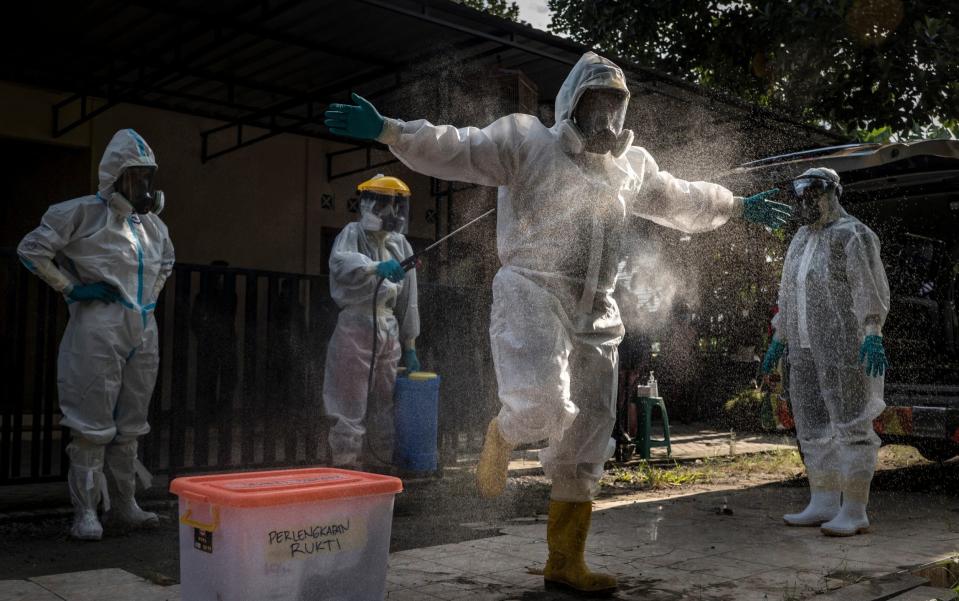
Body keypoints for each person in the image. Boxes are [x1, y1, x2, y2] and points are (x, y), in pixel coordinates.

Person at [325, 52, 789, 594]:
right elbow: (458, 145)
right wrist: (388, 129)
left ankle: (565, 562)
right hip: (531, 289)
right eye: (597, 104)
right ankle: (503, 431)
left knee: (589, 434)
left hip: (598, 310)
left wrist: (734, 205)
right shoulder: (527, 142)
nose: (608, 120)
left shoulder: (629, 167)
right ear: (572, 102)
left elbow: (679, 197)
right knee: (544, 403)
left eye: (617, 106)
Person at [17, 129, 174, 541]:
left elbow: (166, 263)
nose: (145, 186)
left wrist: (149, 303)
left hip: (143, 328)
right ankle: (86, 512)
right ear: (115, 176)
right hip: (97, 328)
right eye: (137, 177)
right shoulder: (81, 213)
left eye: (148, 177)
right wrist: (72, 288)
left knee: (131, 424)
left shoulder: (153, 227)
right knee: (90, 423)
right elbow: (31, 250)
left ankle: (125, 505)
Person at [762, 167, 889, 537]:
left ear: (833, 192)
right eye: (802, 196)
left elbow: (869, 286)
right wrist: (779, 337)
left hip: (844, 347)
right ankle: (823, 501)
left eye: (814, 193)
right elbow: (788, 291)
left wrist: (872, 330)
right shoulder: (801, 238)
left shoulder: (854, 235)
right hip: (803, 348)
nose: (807, 202)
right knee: (813, 426)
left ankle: (854, 509)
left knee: (852, 425)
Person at [323, 174, 420, 469]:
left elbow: (409, 298)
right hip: (356, 324)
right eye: (383, 203)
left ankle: (380, 466)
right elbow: (340, 262)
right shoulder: (352, 233)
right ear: (368, 203)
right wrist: (376, 267)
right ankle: (346, 465)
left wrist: (411, 343)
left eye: (394, 204)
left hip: (387, 327)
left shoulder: (401, 245)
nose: (390, 211)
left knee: (384, 401)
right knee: (349, 399)